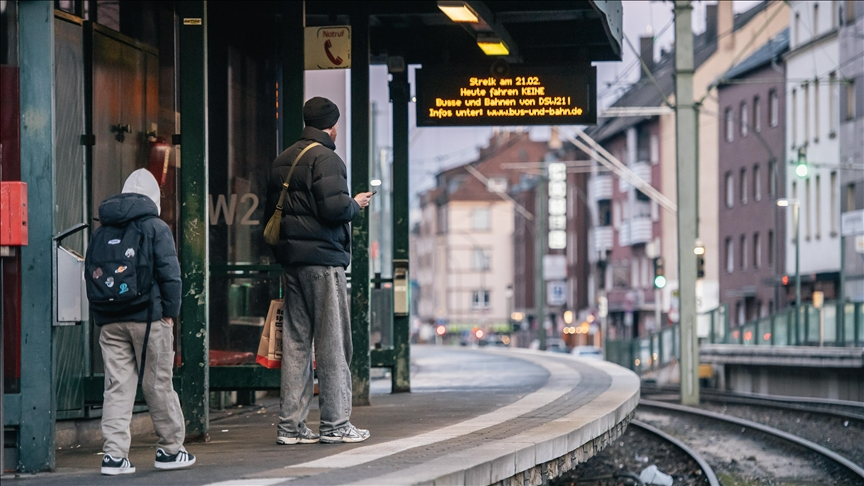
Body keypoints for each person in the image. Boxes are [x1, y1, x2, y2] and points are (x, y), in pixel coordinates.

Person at [266, 97, 374, 444]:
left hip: (292, 263)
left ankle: (290, 428)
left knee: (297, 343)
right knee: (333, 343)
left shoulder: (283, 159)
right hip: (323, 263)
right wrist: (354, 204)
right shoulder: (327, 158)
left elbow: (273, 212)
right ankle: (336, 424)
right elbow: (332, 210)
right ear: (332, 125)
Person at [89, 169, 194, 474]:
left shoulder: (101, 230)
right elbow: (170, 275)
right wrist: (170, 313)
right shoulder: (155, 227)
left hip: (110, 320)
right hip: (150, 318)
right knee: (157, 383)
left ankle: (114, 456)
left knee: (117, 387)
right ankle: (171, 450)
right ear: (154, 199)